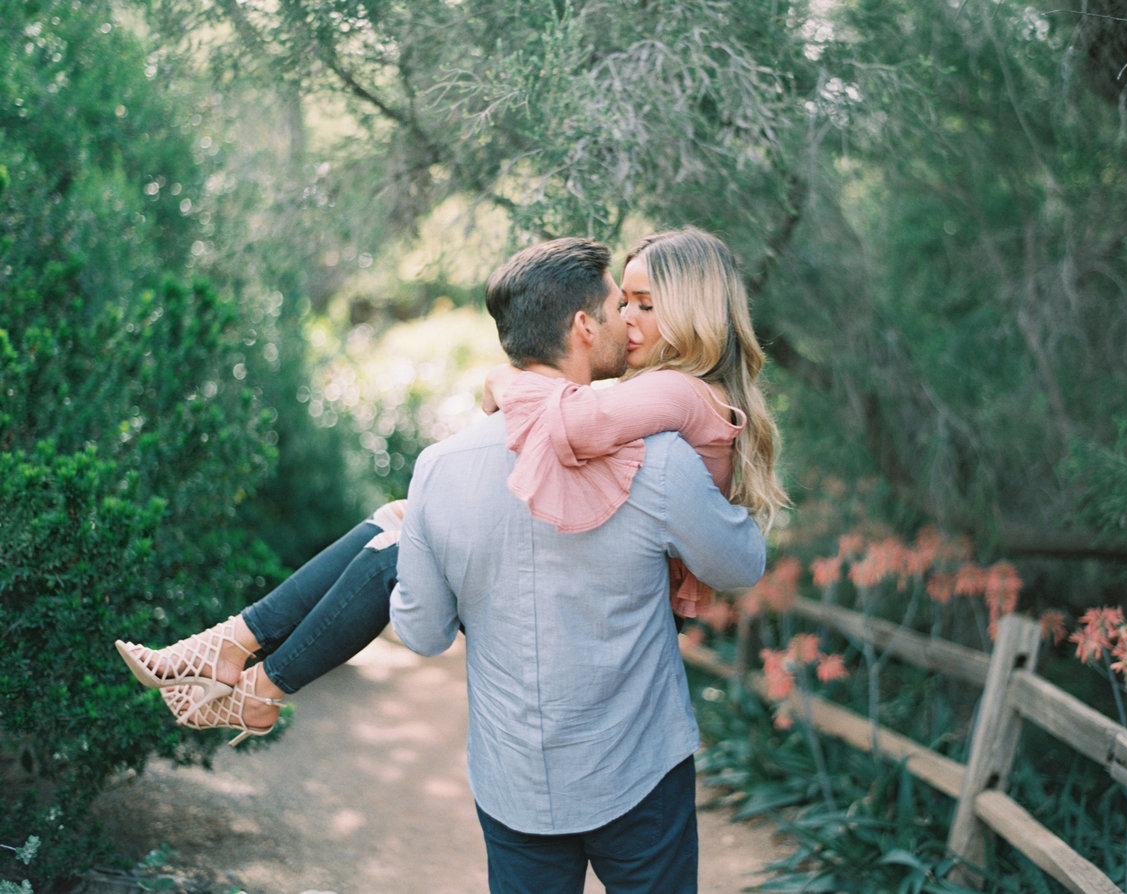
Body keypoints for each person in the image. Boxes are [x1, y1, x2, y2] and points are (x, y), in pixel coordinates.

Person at [115, 227, 784, 747]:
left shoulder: (675, 390)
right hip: (620, 588)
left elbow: (578, 423)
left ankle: (251, 670)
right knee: (395, 521)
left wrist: (505, 381)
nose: (627, 320)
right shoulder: (682, 391)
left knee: (402, 543)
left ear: (691, 310)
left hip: (624, 609)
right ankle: (239, 653)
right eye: (624, 303)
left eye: (643, 305)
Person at [388, 234, 767, 894]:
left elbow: (422, 634)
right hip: (639, 770)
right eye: (624, 304)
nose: (630, 319)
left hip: (517, 782)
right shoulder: (663, 459)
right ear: (585, 325)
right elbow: (739, 566)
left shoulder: (438, 470)